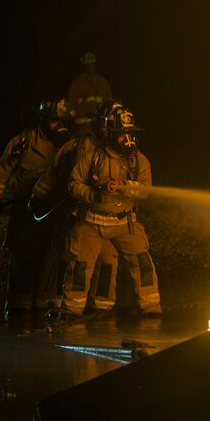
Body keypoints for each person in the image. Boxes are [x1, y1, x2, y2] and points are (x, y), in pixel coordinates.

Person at [59, 104, 161, 317]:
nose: (127, 139)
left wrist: (122, 186)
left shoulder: (139, 161)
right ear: (110, 134)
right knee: (80, 267)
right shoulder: (92, 157)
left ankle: (151, 309)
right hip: (92, 222)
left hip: (125, 223)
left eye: (130, 133)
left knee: (142, 263)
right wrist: (94, 194)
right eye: (122, 134)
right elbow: (73, 185)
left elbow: (146, 190)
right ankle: (71, 311)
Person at [31, 99, 126, 314]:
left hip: (109, 216)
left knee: (108, 259)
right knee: (70, 258)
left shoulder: (120, 151)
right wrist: (37, 197)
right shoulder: (77, 146)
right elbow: (53, 174)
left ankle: (101, 308)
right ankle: (57, 302)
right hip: (75, 214)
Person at [0, 98, 74, 319]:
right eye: (54, 122)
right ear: (42, 120)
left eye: (63, 122)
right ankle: (19, 305)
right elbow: (2, 169)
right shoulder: (24, 142)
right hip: (24, 208)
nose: (59, 126)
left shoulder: (70, 146)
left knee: (51, 256)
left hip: (54, 210)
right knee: (24, 256)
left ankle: (44, 305)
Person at [67, 51, 113, 136]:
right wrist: (71, 118)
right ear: (84, 66)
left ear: (95, 65)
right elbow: (71, 102)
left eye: (92, 64)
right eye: (87, 65)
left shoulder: (103, 82)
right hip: (81, 128)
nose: (90, 67)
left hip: (98, 126)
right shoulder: (77, 83)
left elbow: (109, 102)